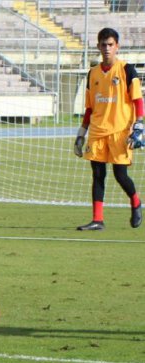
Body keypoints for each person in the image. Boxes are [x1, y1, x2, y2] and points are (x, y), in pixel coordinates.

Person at [74, 27, 144, 231]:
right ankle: (98, 220)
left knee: (120, 175)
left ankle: (136, 200)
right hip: (97, 131)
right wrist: (81, 133)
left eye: (110, 45)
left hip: (120, 131)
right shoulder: (93, 73)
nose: (107, 48)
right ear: (98, 46)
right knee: (97, 174)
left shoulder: (127, 70)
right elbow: (89, 107)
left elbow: (138, 100)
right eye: (103, 45)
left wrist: (139, 124)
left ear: (117, 47)